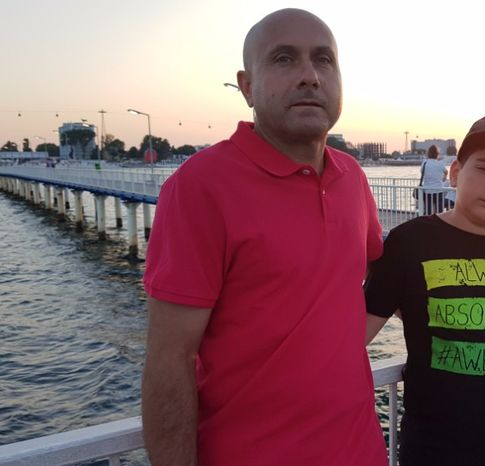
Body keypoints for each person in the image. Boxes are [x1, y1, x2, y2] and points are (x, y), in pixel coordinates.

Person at [141, 9, 387, 466]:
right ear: (247, 86)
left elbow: (383, 267)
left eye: (324, 59)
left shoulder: (352, 178)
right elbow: (170, 359)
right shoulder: (200, 187)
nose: (310, 76)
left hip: (362, 451)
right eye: (283, 59)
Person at [365, 114, 485, 466]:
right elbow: (358, 331)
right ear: (455, 172)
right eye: (484, 168)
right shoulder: (409, 242)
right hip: (438, 444)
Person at [418, 144, 448, 215]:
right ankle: (438, 221)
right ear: (437, 154)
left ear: (428, 153)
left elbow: (422, 172)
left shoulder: (425, 163)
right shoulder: (440, 163)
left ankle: (428, 221)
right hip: (439, 190)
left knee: (428, 212)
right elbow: (446, 172)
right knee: (440, 212)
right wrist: (444, 178)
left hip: (427, 190)